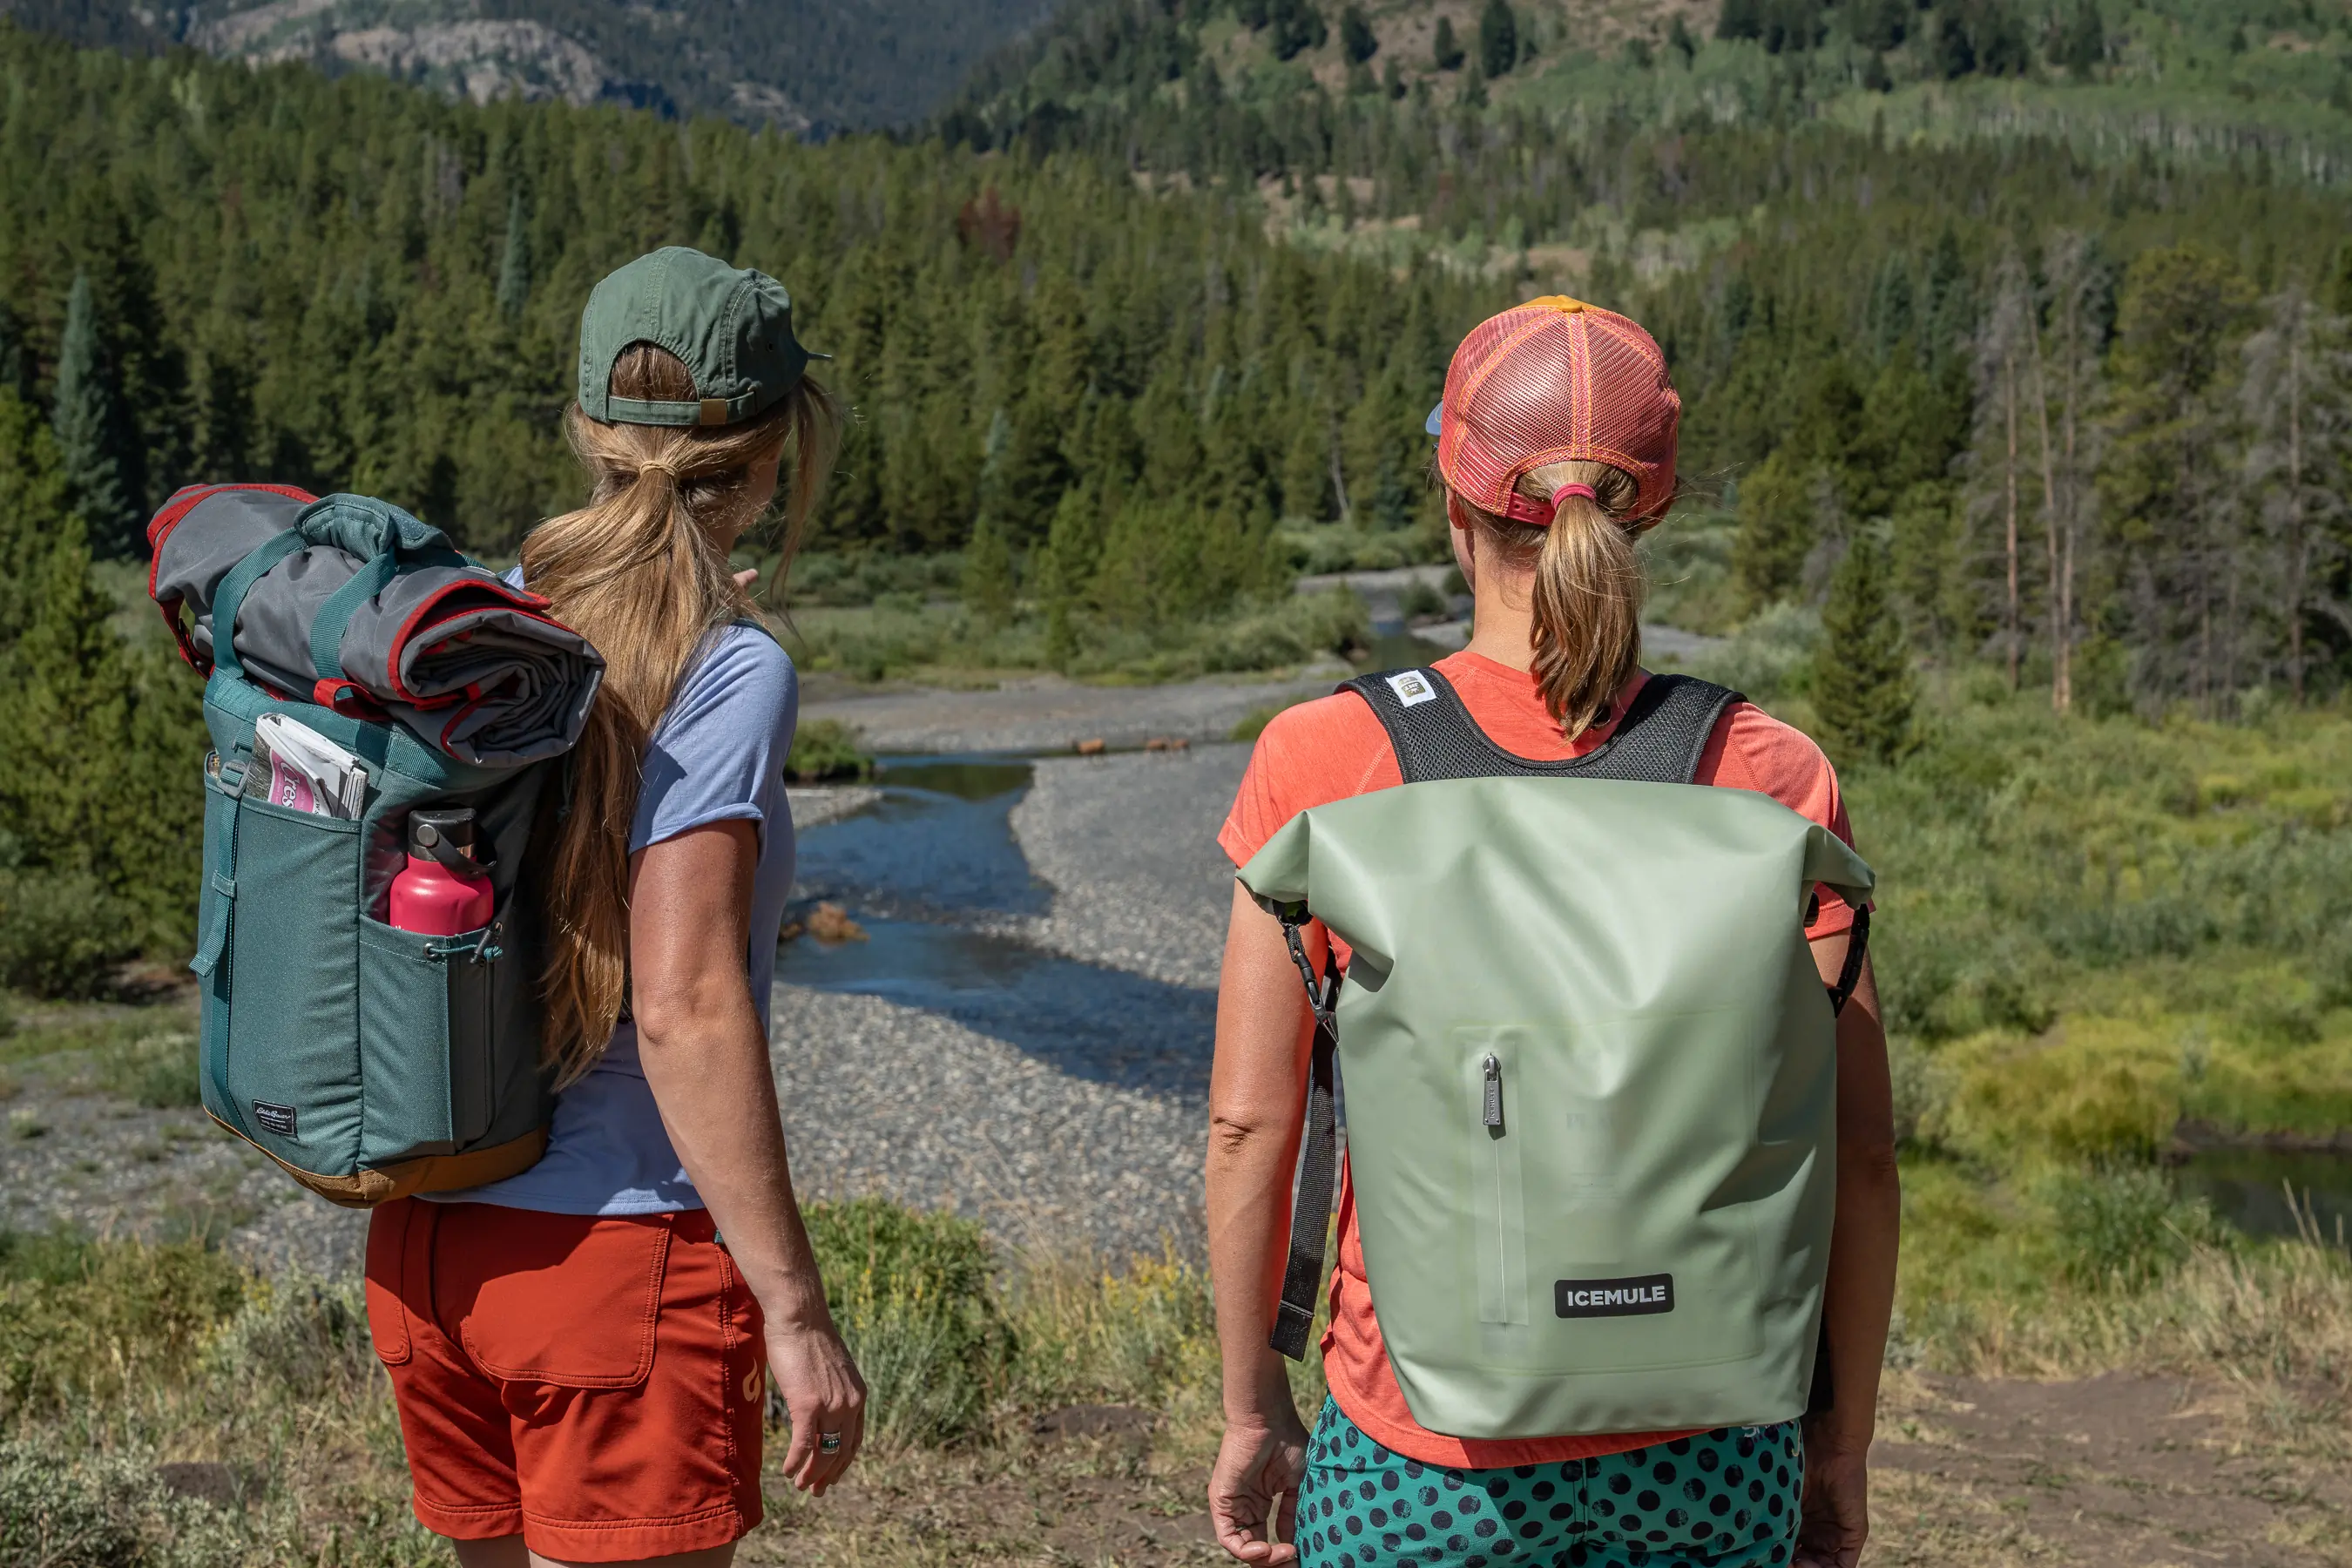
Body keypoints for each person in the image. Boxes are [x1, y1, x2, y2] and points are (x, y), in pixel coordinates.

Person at [1205, 296, 1900, 1568]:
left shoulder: (1325, 757)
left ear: (1454, 502)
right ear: (1657, 509)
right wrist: (1840, 1445)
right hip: (1712, 1438)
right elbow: (1856, 1155)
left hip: (1420, 1441)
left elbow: (1255, 1125)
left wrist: (1255, 1407)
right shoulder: (1769, 770)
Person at [362, 247, 868, 1566]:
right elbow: (687, 1003)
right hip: (613, 1273)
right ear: (766, 460)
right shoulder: (731, 669)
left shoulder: (496, 621)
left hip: (433, 1246)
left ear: (587, 431)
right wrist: (797, 1311)